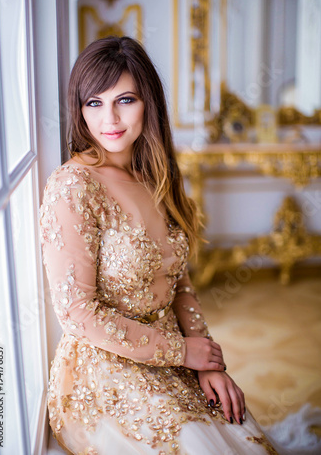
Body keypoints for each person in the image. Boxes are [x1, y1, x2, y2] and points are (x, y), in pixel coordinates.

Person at [40, 36, 278, 455]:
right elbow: (77, 312)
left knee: (243, 438)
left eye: (125, 100)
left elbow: (179, 279)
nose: (109, 118)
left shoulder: (155, 175)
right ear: (78, 109)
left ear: (148, 102)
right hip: (103, 370)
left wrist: (208, 364)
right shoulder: (73, 186)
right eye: (93, 103)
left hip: (172, 357)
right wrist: (182, 350)